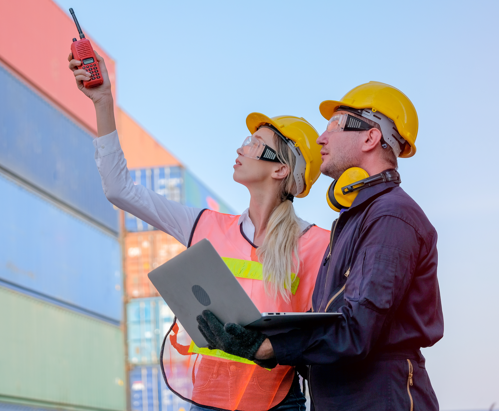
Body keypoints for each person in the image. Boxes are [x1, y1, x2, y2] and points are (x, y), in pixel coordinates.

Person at [68, 53, 331, 410]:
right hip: (208, 398)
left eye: (255, 143)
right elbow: (120, 189)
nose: (241, 148)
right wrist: (103, 102)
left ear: (281, 170)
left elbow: (329, 335)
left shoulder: (320, 245)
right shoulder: (205, 225)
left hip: (278, 401)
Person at [197, 81, 443, 410]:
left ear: (370, 137)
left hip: (379, 399)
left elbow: (356, 330)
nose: (320, 138)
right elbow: (331, 324)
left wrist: (266, 347)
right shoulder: (355, 219)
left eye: (334, 125)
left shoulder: (390, 218)